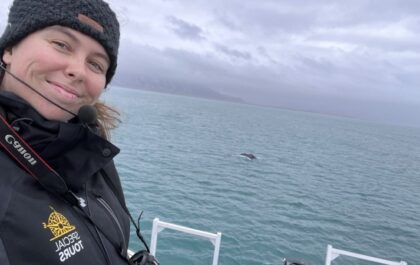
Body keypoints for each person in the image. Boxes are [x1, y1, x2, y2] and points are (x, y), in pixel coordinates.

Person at [0, 1, 156, 264]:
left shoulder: (91, 147)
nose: (78, 71)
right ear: (10, 48)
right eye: (61, 44)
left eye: (96, 64)